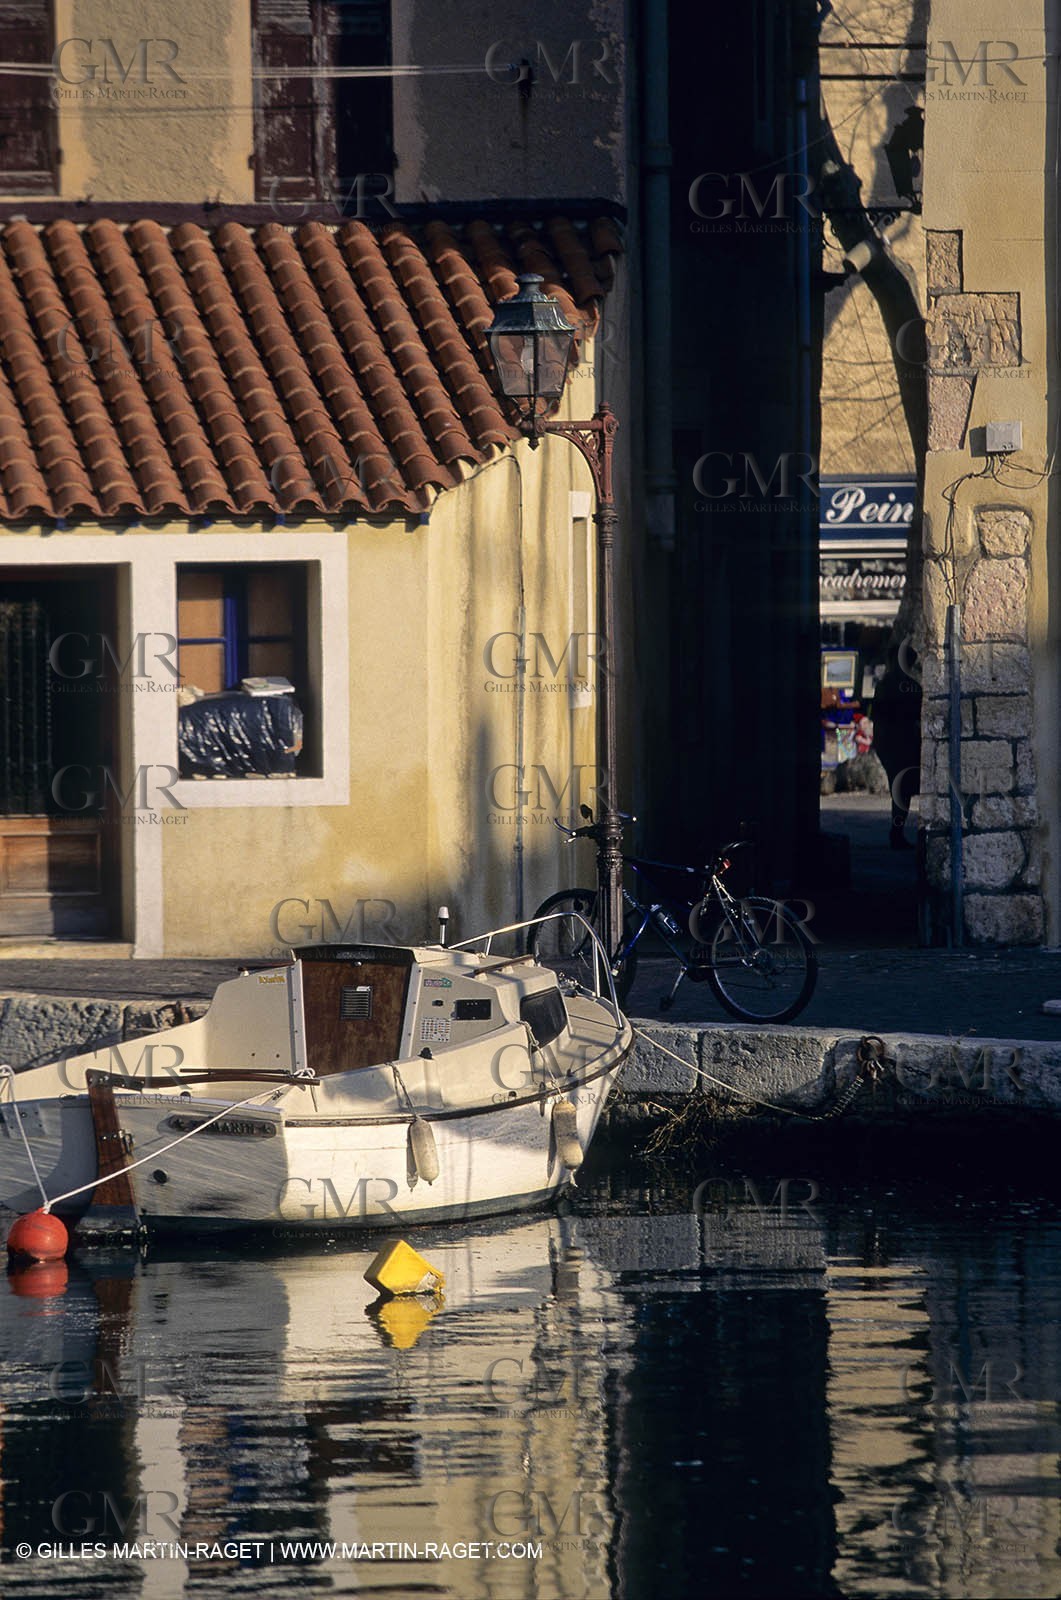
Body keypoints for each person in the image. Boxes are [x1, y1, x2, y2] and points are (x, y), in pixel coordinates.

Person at [871, 645, 922, 849]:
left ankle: (898, 831)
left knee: (900, 790)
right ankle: (898, 832)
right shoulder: (908, 686)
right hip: (902, 746)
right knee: (902, 791)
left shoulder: (885, 686)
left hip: (890, 745)